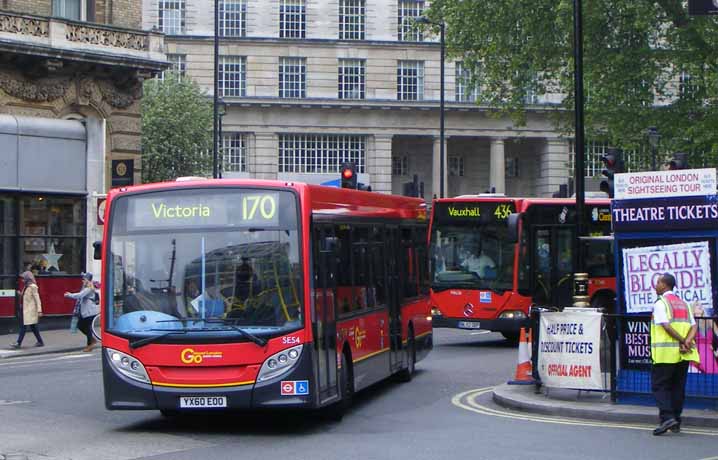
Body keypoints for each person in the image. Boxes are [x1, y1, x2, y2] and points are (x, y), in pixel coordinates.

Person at [650, 273, 700, 436]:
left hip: (665, 354)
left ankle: (667, 418)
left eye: (658, 282)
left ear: (665, 285)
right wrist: (687, 341)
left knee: (660, 386)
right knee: (678, 387)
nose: (656, 285)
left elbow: (665, 325)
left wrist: (681, 340)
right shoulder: (683, 303)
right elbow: (693, 326)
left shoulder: (661, 303)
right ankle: (676, 421)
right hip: (683, 354)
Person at [64, 272, 100, 352]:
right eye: (82, 279)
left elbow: (80, 295)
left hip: (90, 312)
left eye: (84, 279)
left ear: (87, 280)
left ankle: (90, 345)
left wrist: (69, 295)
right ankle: (92, 340)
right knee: (81, 326)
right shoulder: (86, 287)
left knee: (86, 327)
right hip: (87, 311)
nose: (82, 281)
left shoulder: (89, 288)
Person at [10, 271, 44, 349]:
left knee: (23, 326)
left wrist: (39, 310)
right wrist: (19, 294)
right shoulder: (26, 286)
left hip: (30, 310)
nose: (23, 280)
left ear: (28, 278)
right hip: (25, 309)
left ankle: (18, 343)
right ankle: (40, 341)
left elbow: (37, 299)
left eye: (24, 278)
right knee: (33, 327)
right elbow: (25, 296)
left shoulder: (33, 287)